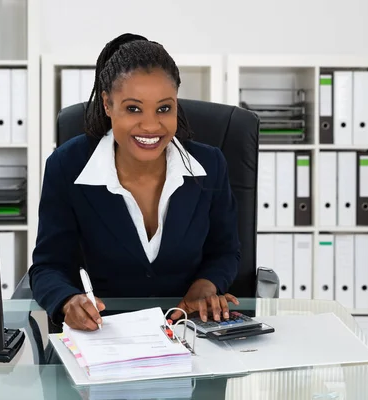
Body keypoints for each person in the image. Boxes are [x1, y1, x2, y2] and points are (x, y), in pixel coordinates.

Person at [29, 33, 241, 333]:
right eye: (133, 108)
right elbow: (48, 266)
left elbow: (225, 251)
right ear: (107, 104)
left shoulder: (210, 165)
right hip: (104, 337)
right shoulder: (67, 166)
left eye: (164, 108)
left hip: (190, 333)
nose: (151, 125)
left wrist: (205, 286)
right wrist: (67, 301)